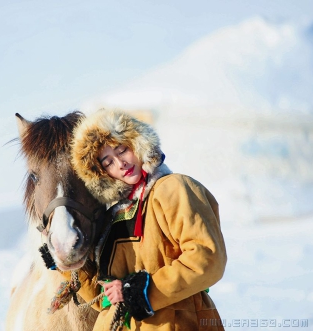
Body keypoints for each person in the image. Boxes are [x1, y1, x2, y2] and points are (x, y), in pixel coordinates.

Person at [70, 109, 227, 331]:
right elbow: (102, 296)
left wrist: (139, 291)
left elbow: (207, 258)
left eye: (122, 150)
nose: (120, 164)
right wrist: (68, 264)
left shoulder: (173, 188)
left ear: (137, 143)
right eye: (108, 162)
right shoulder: (113, 216)